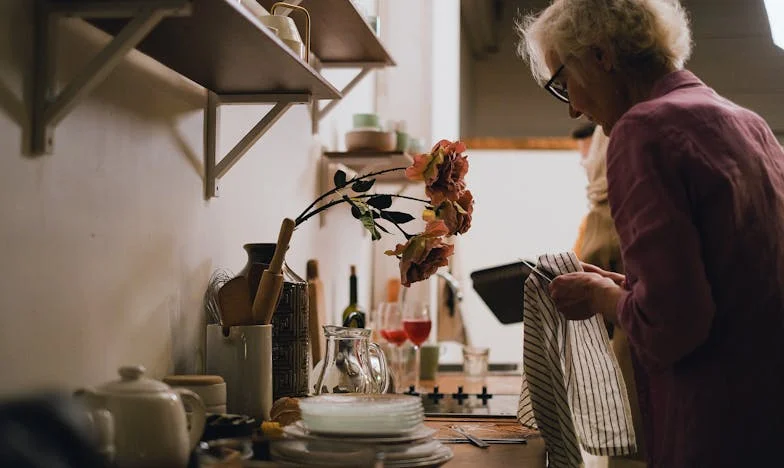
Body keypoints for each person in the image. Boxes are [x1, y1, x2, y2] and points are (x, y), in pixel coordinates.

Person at [517, 1, 784, 467]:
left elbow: (673, 327)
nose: (573, 107)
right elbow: (734, 286)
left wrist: (601, 298)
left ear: (601, 56)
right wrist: (626, 290)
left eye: (564, 84)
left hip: (712, 426)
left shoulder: (643, 130)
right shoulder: (747, 124)